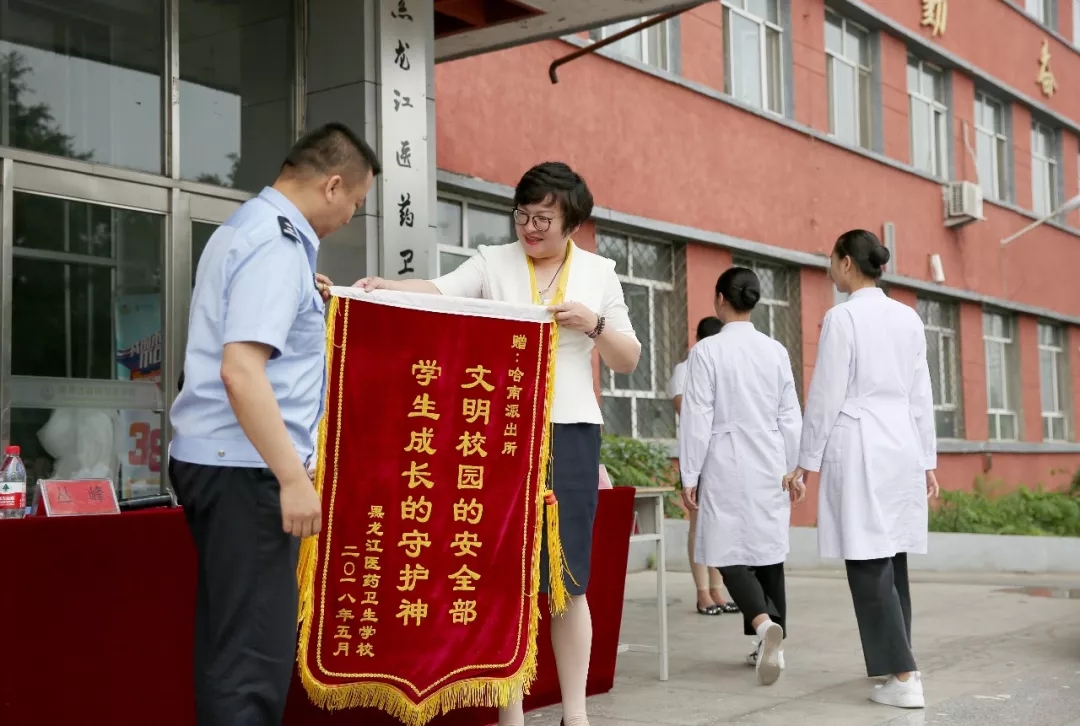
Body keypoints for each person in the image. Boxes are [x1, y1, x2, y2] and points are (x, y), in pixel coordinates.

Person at [356, 161, 641, 726]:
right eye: (522, 216)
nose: (530, 228)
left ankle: (576, 713)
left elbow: (627, 358)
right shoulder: (493, 260)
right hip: (499, 434)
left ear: (572, 224)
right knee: (503, 576)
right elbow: (438, 292)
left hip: (568, 433)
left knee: (568, 579)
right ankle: (511, 712)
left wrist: (593, 324)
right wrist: (386, 287)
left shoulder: (599, 273)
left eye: (543, 219)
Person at [168, 122, 381, 726]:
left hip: (224, 462)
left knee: (234, 639)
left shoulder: (247, 228)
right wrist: (292, 477)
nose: (351, 216)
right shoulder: (276, 245)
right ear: (332, 185)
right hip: (249, 470)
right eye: (356, 202)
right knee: (251, 660)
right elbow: (241, 371)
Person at [783, 229, 939, 710]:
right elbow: (921, 393)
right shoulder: (908, 317)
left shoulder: (843, 317)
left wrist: (804, 462)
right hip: (902, 444)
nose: (830, 268)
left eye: (831, 260)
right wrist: (927, 460)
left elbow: (826, 393)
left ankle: (904, 676)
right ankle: (901, 666)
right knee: (892, 560)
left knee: (868, 561)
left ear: (847, 262)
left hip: (863, 442)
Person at [678, 268, 803, 686]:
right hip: (771, 456)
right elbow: (790, 413)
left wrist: (690, 472)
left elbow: (697, 416)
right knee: (768, 550)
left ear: (720, 299)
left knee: (724, 549)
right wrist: (795, 466)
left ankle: (765, 626)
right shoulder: (775, 350)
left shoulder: (707, 351)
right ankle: (771, 644)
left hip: (725, 456)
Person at [668, 316, 739, 616]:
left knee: (719, 524)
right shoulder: (684, 370)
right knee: (698, 525)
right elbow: (687, 412)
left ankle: (717, 589)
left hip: (723, 456)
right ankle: (702, 593)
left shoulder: (725, 371)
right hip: (698, 458)